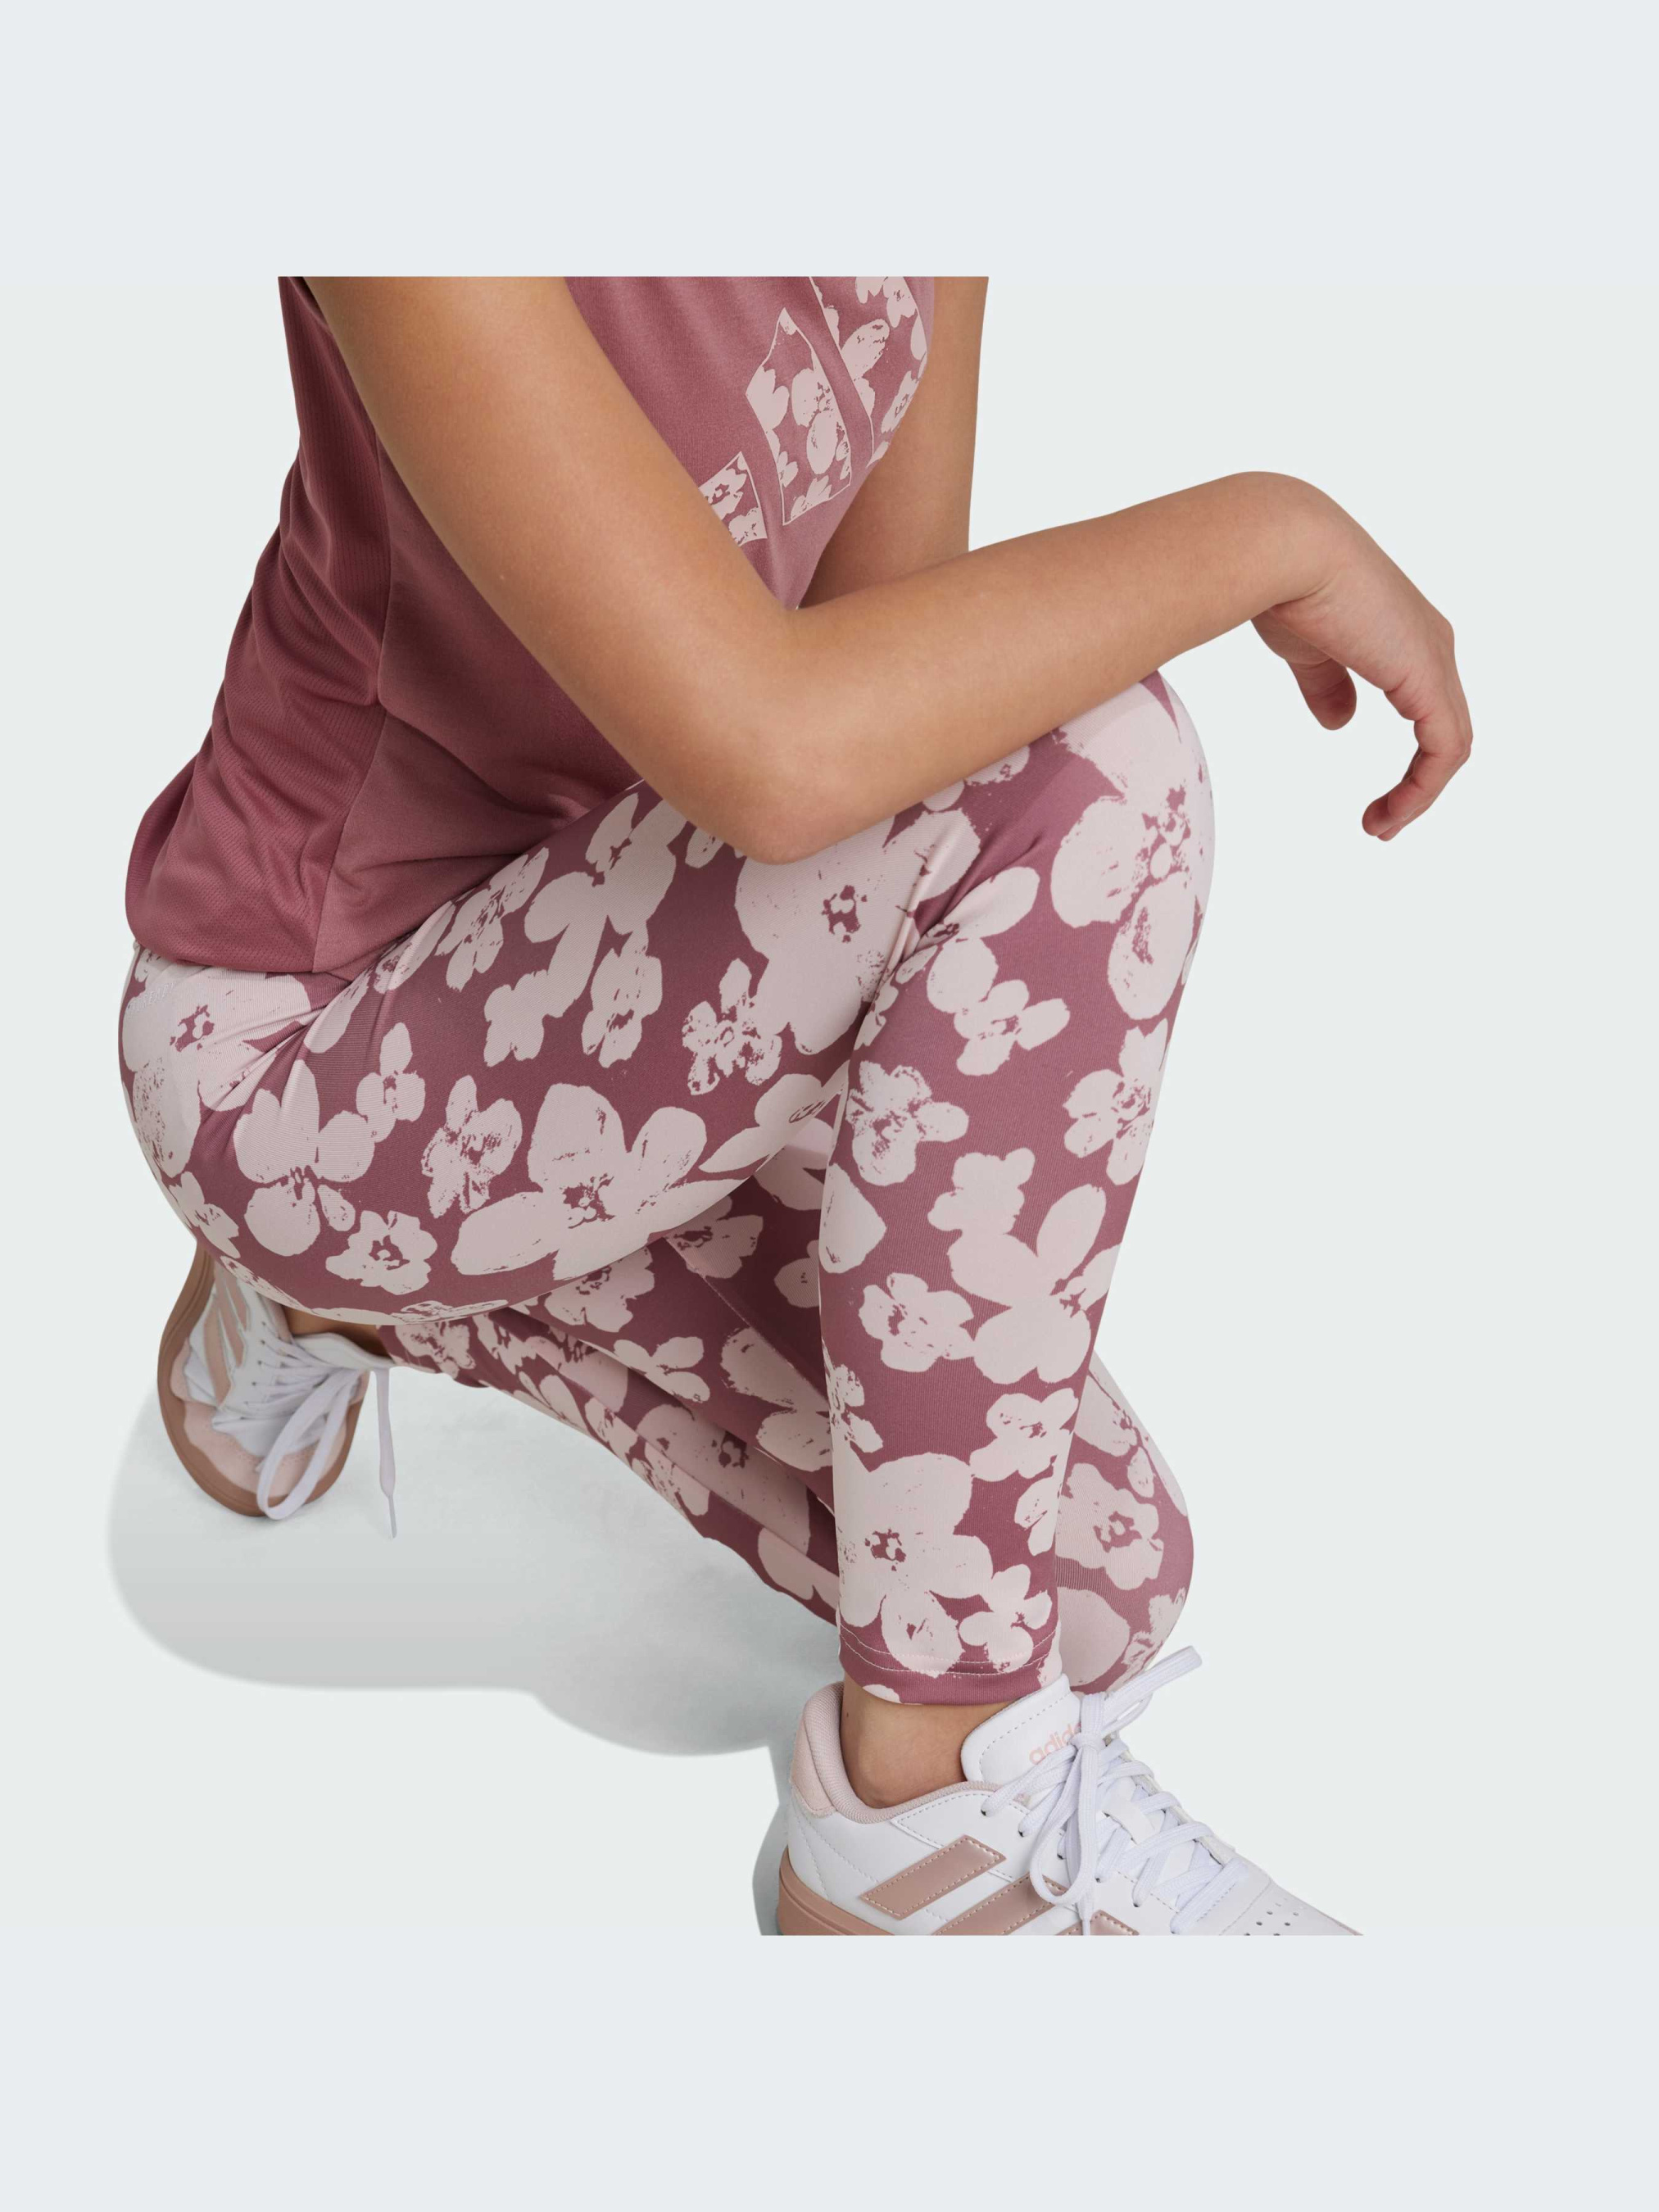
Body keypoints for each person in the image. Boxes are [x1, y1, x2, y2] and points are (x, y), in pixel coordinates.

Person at [120, 278, 1470, 1937]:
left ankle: (356, 1301)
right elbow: (781, 753)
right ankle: (915, 1829)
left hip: (625, 1011)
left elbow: (893, 703)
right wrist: (1276, 532)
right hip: (305, 1049)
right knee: (1086, 766)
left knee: (1096, 1589)